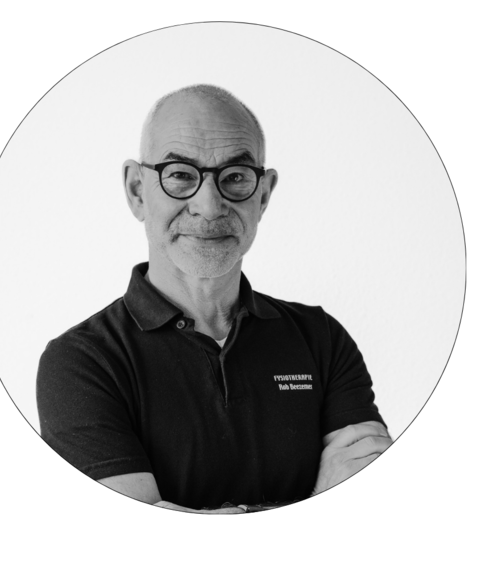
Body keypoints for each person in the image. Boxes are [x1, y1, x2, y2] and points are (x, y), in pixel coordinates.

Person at [37, 84, 391, 514]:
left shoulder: (322, 339)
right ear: (136, 190)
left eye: (236, 177)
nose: (209, 206)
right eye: (180, 175)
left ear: (263, 195)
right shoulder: (80, 362)